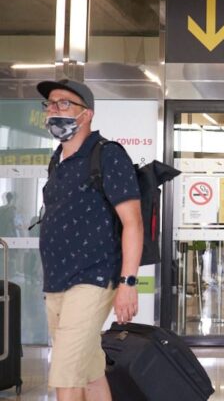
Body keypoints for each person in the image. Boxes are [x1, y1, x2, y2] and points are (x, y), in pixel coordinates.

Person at [37, 79, 142, 401]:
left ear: (87, 114)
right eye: (51, 104)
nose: (55, 110)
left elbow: (133, 223)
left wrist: (128, 282)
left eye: (64, 104)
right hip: (56, 280)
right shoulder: (58, 159)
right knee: (88, 369)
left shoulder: (107, 155)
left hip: (93, 276)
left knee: (66, 373)